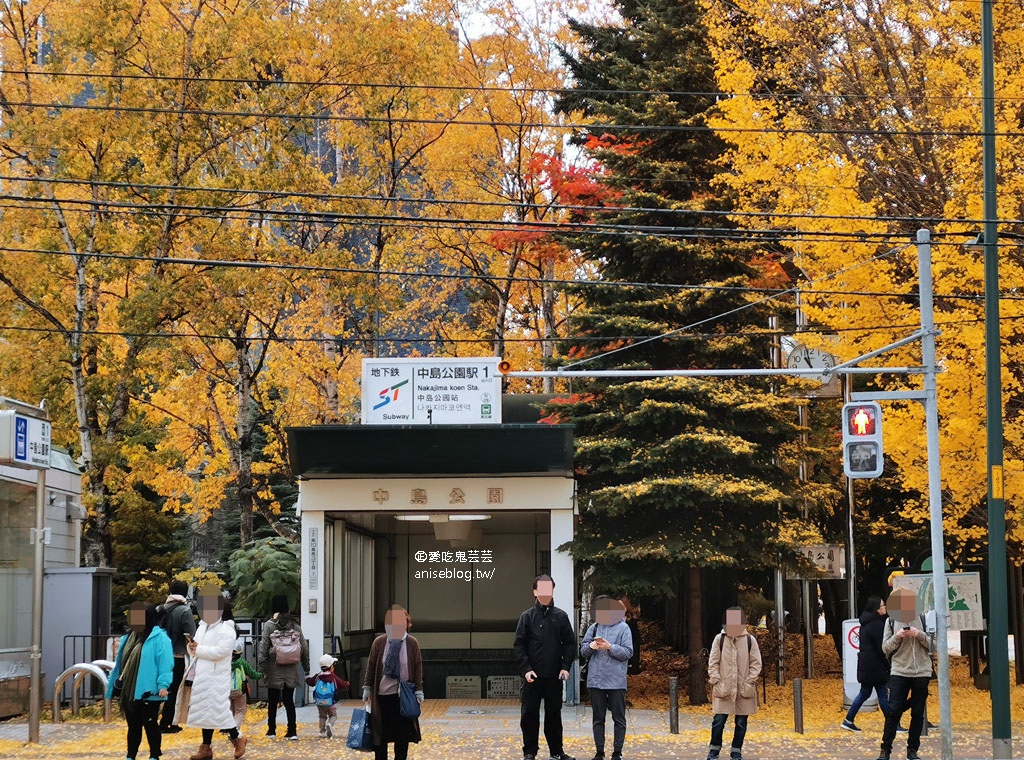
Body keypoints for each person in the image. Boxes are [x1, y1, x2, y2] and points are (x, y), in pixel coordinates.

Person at [514, 574, 577, 760]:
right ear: (534, 592)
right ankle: (530, 752)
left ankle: (557, 751)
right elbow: (519, 645)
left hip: (554, 676)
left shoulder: (561, 616)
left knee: (554, 716)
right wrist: (526, 669)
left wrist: (566, 667)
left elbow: (570, 643)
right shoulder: (526, 617)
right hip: (532, 676)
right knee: (529, 715)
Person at [106, 601, 174, 760]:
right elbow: (120, 663)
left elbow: (165, 664)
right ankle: (131, 755)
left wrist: (163, 685)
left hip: (149, 691)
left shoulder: (160, 638)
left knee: (151, 724)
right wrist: (113, 684)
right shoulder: (129, 637)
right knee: (133, 726)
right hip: (130, 690)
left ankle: (154, 755)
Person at [185, 589, 244, 760]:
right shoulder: (203, 627)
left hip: (217, 676)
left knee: (219, 710)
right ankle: (206, 747)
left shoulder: (226, 629)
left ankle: (237, 739)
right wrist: (192, 647)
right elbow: (196, 648)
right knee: (206, 712)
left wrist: (199, 649)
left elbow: (222, 651)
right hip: (203, 674)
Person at [362, 605, 424, 760]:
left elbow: (417, 667)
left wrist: (419, 690)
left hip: (403, 697)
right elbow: (371, 666)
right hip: (382, 696)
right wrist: (367, 688)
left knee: (402, 738)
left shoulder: (412, 643)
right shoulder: (380, 642)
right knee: (380, 737)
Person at [877, 588, 931, 760]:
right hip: (899, 670)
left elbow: (935, 645)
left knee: (917, 712)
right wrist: (898, 636)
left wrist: (919, 634)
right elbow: (885, 648)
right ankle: (885, 749)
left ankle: (912, 750)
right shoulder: (891, 621)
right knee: (894, 711)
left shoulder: (923, 617)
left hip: (922, 671)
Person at [580, 596, 634, 760]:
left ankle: (617, 752)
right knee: (598, 718)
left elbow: (628, 653)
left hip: (616, 681)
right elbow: (583, 651)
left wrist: (610, 647)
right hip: (595, 680)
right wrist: (591, 646)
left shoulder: (624, 628)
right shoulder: (595, 627)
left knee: (619, 717)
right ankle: (599, 751)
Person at [706, 606, 762, 760]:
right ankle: (714, 749)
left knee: (741, 722)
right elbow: (713, 661)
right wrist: (716, 679)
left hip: (744, 687)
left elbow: (756, 663)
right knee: (718, 722)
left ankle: (736, 750)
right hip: (724, 686)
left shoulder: (750, 640)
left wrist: (750, 681)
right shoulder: (720, 639)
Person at [258, 594, 310, 740]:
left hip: (274, 667)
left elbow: (263, 648)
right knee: (288, 700)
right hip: (291, 668)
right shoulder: (295, 625)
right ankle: (292, 731)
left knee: (273, 700)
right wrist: (306, 667)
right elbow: (304, 648)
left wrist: (262, 668)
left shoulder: (269, 625)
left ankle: (271, 730)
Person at [841, 595, 891, 732]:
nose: (885, 607)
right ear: (876, 609)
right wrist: (887, 664)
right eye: (882, 605)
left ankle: (848, 719)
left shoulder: (866, 622)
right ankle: (893, 723)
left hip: (866, 665)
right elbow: (881, 647)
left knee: (865, 693)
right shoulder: (877, 625)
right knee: (882, 693)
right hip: (876, 666)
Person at [159, 579, 197, 733]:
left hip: (160, 655)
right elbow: (192, 635)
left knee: (162, 687)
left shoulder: (159, 608)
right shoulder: (184, 610)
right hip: (177, 656)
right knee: (174, 689)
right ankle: (168, 722)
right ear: (185, 592)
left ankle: (157, 720)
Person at [306, 653, 350, 738]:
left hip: (319, 702)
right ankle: (329, 724)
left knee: (322, 716)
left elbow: (311, 682)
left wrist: (306, 678)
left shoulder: (318, 676)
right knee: (333, 715)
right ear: (331, 667)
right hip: (331, 702)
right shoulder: (333, 677)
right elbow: (341, 684)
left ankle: (322, 732)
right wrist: (347, 683)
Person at [228, 640, 263, 739]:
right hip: (239, 690)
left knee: (230, 711)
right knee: (240, 710)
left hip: (225, 690)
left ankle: (229, 729)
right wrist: (263, 675)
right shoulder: (242, 662)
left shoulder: (224, 662)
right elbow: (253, 674)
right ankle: (235, 730)